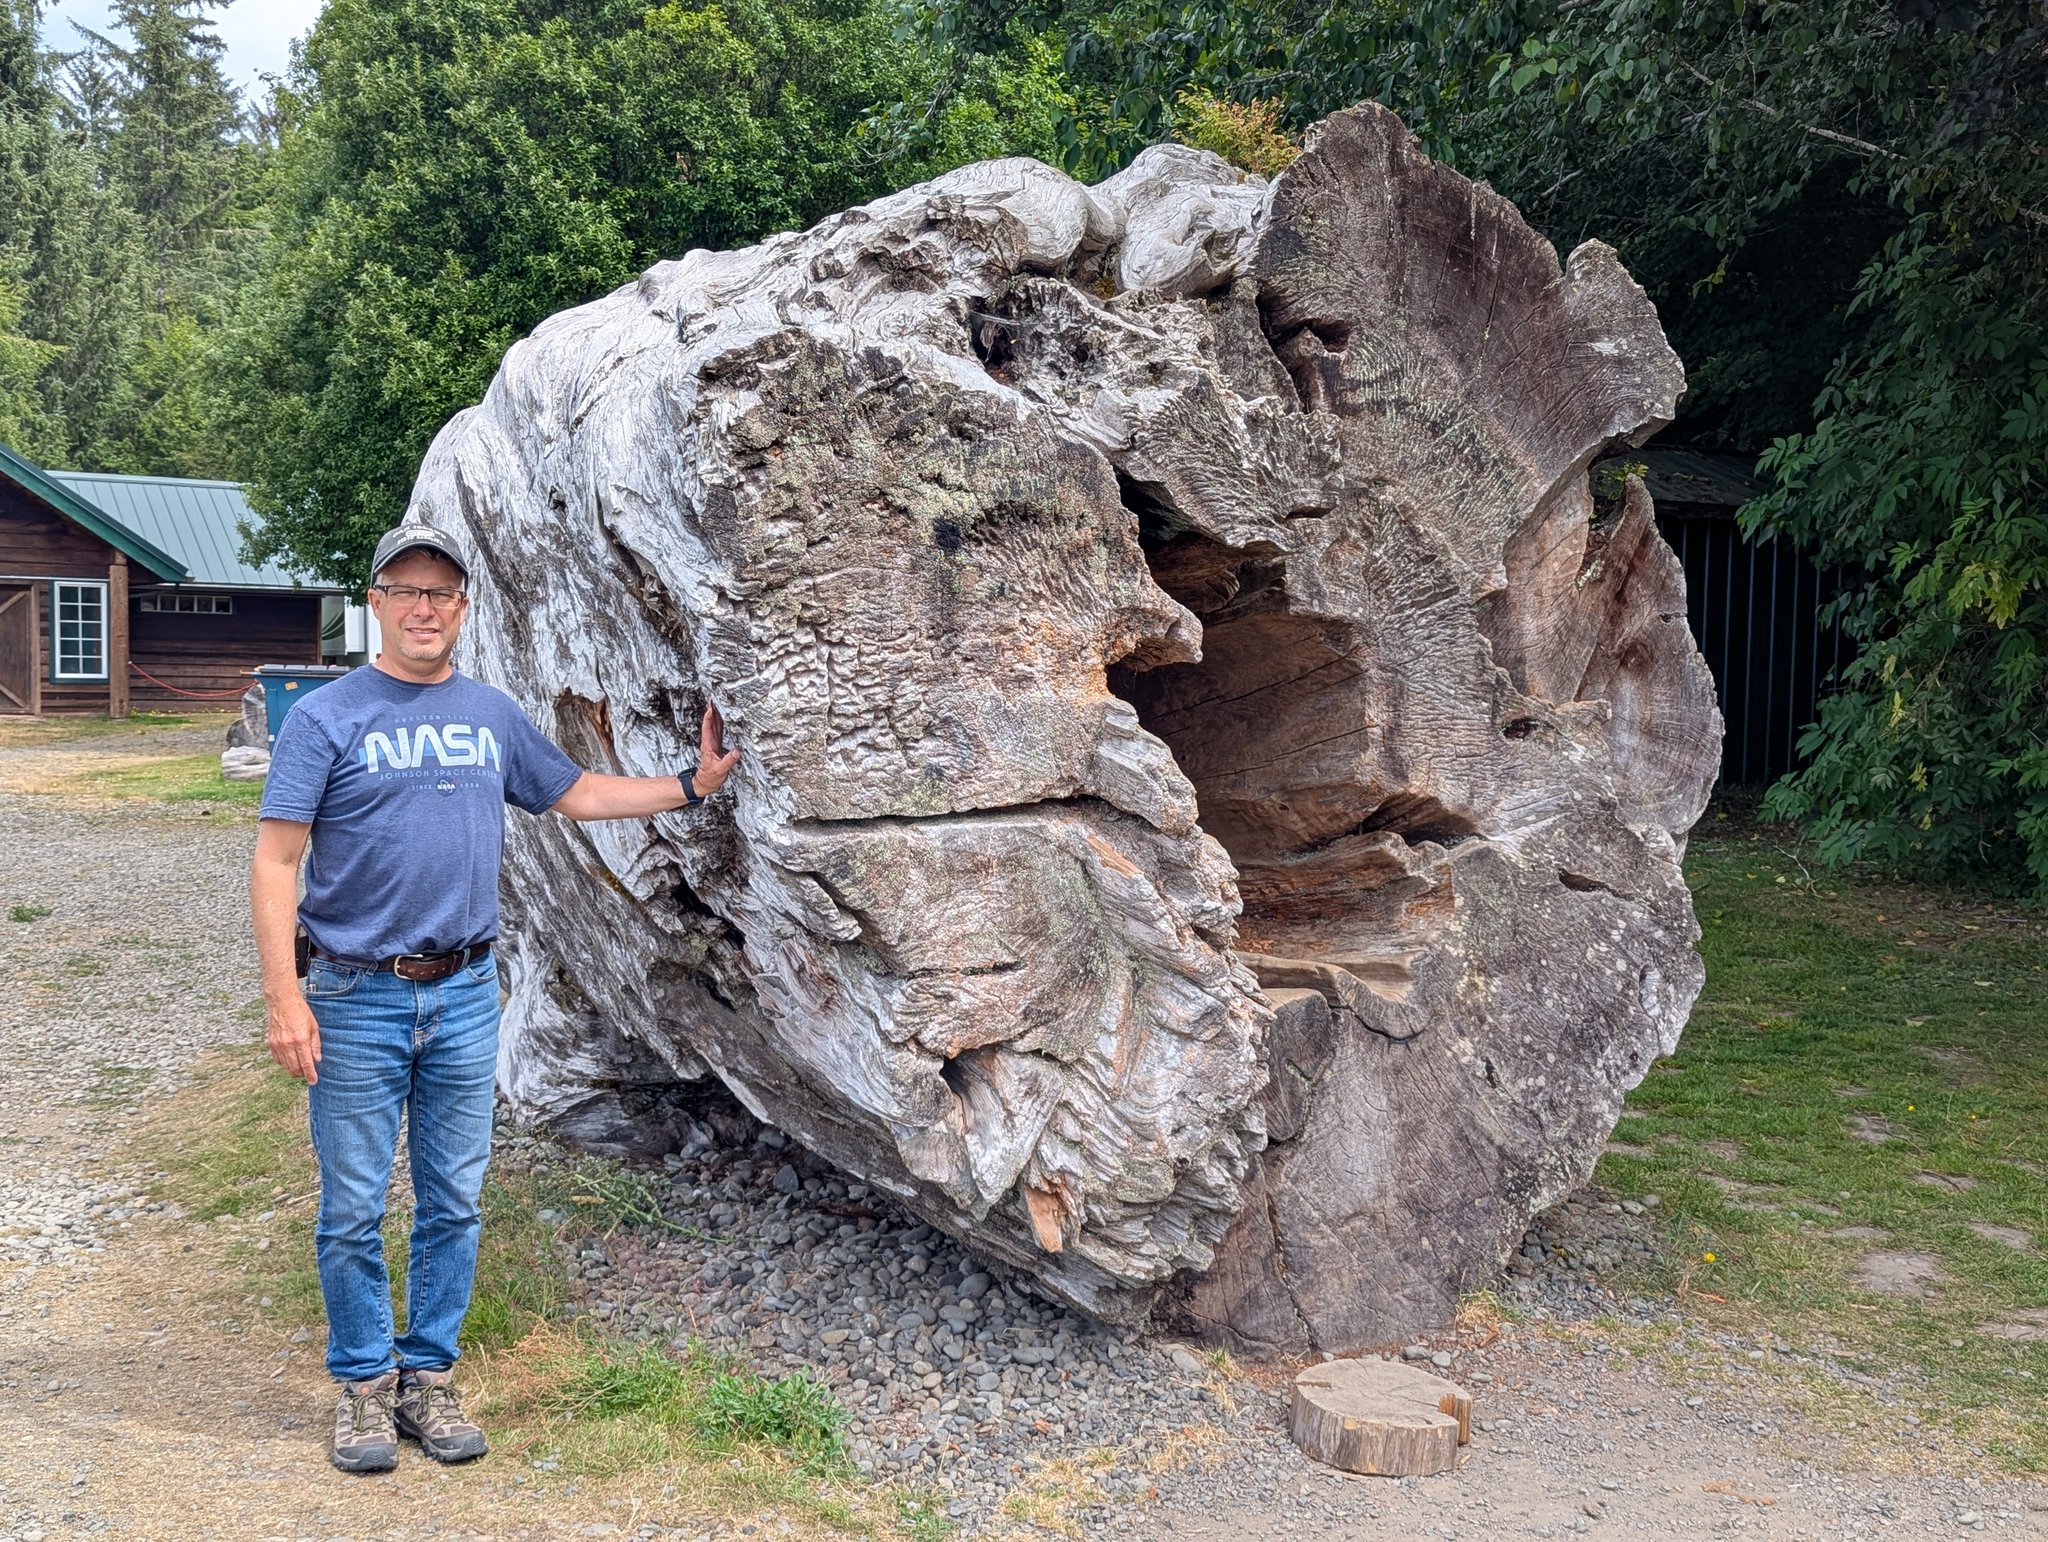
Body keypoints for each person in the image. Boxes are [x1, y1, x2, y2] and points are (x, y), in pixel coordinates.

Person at [250, 520, 739, 1474]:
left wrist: (692, 783)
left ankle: (426, 1378)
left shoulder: (490, 714)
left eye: (442, 593)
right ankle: (360, 1385)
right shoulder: (326, 717)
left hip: (469, 989)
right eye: (406, 591)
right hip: (355, 995)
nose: (424, 608)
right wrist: (285, 998)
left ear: (463, 608)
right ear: (377, 604)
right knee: (352, 1204)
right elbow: (276, 860)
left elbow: (578, 794)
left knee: (454, 1199)